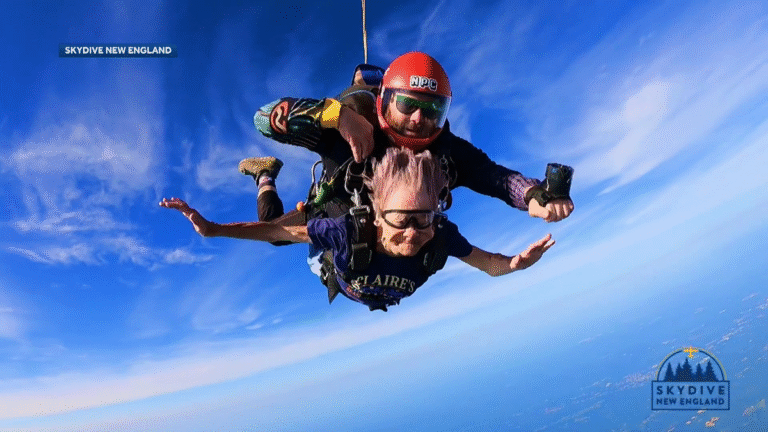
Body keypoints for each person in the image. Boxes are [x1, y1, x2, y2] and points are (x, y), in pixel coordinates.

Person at [161, 147, 555, 312]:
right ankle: (266, 174)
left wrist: (517, 263)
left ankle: (304, 205)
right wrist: (211, 229)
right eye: (401, 221)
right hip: (332, 251)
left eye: (425, 218)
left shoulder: (440, 234)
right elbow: (275, 235)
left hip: (357, 273)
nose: (414, 234)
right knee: (283, 228)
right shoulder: (349, 231)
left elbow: (489, 264)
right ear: (379, 214)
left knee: (298, 224)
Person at [247, 51, 574, 224]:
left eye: (433, 108)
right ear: (385, 101)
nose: (420, 118)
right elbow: (265, 118)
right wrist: (338, 116)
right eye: (407, 104)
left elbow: (496, 177)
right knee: (274, 231)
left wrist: (534, 195)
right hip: (334, 215)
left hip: (396, 238)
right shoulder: (349, 130)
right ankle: (265, 175)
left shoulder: (444, 151)